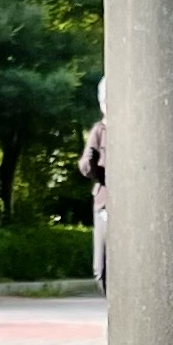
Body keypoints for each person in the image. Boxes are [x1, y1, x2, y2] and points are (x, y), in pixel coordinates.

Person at [80, 77, 108, 290]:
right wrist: (90, 161)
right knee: (102, 267)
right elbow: (86, 167)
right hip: (105, 203)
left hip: (127, 204)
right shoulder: (99, 130)